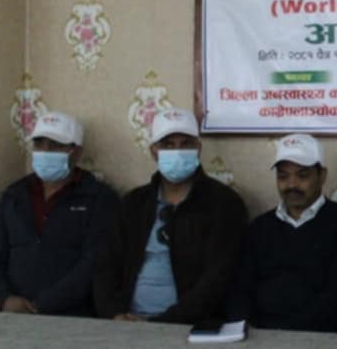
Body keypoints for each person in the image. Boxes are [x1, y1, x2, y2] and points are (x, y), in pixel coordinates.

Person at [94, 107, 248, 323]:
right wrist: (115, 314)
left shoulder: (224, 204)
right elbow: (106, 267)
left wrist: (161, 324)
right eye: (168, 145)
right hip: (126, 324)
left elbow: (218, 280)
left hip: (187, 327)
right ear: (153, 151)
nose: (177, 151)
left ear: (198, 148)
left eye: (186, 144)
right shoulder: (133, 203)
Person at [227, 134, 337, 332]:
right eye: (283, 176)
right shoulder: (260, 228)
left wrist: (287, 334)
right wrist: (245, 328)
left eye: (302, 175)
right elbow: (240, 290)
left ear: (322, 176)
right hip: (260, 336)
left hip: (319, 337)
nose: (291, 185)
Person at [0, 111, 118, 316]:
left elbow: (94, 264)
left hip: (69, 316)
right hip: (8, 313)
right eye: (39, 144)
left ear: (76, 152)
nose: (45, 151)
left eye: (55, 145)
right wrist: (3, 299)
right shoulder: (14, 195)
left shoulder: (99, 199)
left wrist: (41, 305)